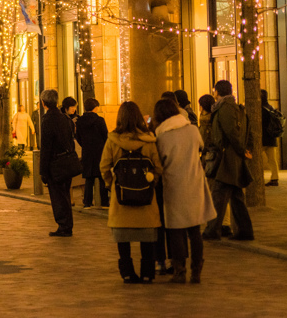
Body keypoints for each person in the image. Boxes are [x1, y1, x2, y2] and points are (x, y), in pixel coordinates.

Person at [153, 98, 216, 284]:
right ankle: (196, 271)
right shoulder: (192, 129)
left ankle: (179, 271)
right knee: (195, 230)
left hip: (173, 185)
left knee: (175, 230)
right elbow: (201, 146)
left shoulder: (161, 136)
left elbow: (160, 161)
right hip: (194, 183)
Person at [100, 100, 164, 284]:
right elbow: (158, 167)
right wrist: (151, 182)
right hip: (146, 195)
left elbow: (104, 166)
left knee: (123, 238)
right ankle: (147, 273)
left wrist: (112, 184)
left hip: (122, 197)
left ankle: (127, 273)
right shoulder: (148, 141)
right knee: (147, 237)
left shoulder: (113, 141)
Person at [202, 80, 254, 241]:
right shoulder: (237, 108)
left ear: (217, 92)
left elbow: (231, 132)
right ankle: (245, 231)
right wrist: (246, 150)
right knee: (236, 197)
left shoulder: (225, 108)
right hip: (233, 158)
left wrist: (240, 150)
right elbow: (247, 132)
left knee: (218, 195)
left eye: (214, 91)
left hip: (227, 159)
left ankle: (212, 230)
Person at [38, 88, 75, 237]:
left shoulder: (48, 120)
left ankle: (64, 225)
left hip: (55, 164)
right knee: (65, 194)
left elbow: (46, 147)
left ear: (43, 103)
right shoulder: (65, 119)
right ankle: (67, 224)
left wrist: (43, 171)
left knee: (58, 196)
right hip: (67, 162)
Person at [75, 97, 109, 209]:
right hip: (99, 152)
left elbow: (78, 137)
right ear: (96, 108)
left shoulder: (79, 121)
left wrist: (85, 144)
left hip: (87, 152)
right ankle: (104, 202)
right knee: (101, 177)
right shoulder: (100, 121)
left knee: (88, 179)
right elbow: (105, 136)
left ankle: (87, 202)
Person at [261, 90, 281, 187]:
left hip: (263, 139)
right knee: (272, 159)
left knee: (255, 158)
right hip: (271, 138)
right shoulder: (271, 108)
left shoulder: (261, 109)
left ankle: (258, 176)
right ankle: (275, 178)